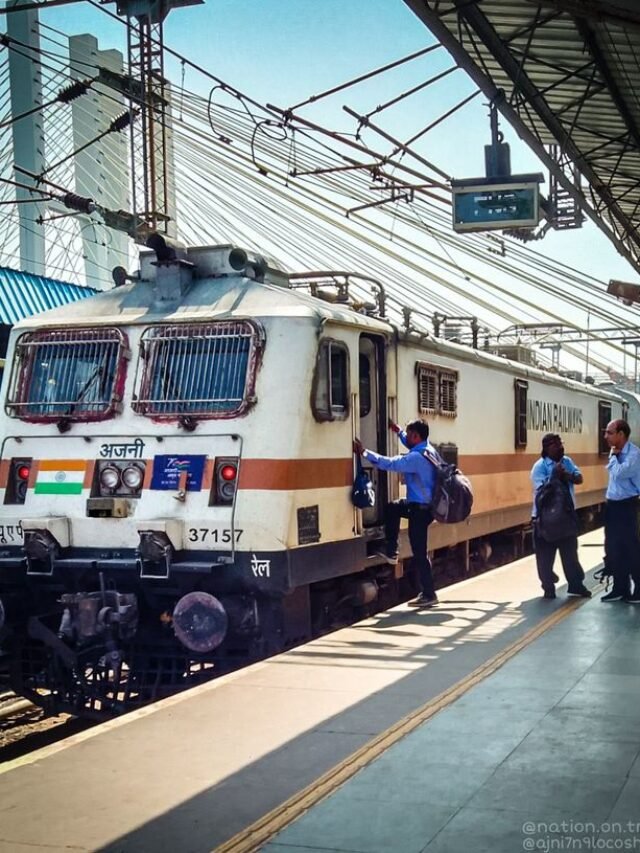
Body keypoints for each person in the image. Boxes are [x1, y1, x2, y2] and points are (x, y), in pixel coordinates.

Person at [353, 418, 438, 608]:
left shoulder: (415, 458)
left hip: (420, 510)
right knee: (393, 507)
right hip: (424, 508)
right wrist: (398, 431)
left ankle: (429, 594)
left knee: (419, 553)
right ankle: (392, 550)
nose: (407, 437)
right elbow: (408, 442)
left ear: (416, 436)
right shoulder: (428, 450)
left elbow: (391, 463)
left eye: (409, 434)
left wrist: (364, 452)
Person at [530, 433, 591, 600]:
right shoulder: (539, 467)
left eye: (561, 444)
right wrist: (555, 476)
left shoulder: (567, 462)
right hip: (544, 520)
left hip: (566, 517)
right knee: (544, 558)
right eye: (556, 445)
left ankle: (576, 584)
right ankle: (548, 587)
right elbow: (542, 493)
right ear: (547, 448)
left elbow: (579, 478)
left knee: (570, 555)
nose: (561, 447)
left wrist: (568, 475)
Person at [602, 419, 640, 603]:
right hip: (613, 506)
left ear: (621, 434)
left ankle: (639, 589)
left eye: (609, 432)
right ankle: (620, 588)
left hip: (628, 505)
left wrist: (614, 458)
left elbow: (618, 473)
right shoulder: (615, 452)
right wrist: (614, 457)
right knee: (614, 548)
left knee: (632, 549)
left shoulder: (633, 455)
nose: (605, 436)